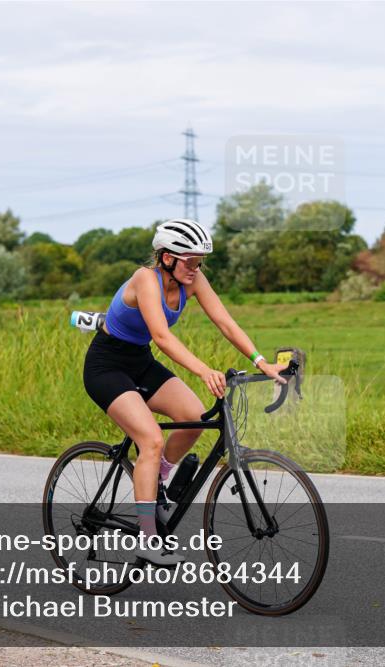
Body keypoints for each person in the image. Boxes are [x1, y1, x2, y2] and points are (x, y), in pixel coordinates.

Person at [82, 218, 289, 566]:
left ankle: (157, 483)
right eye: (190, 261)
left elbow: (225, 321)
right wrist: (204, 370)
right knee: (150, 440)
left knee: (193, 419)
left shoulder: (192, 280)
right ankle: (147, 539)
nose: (196, 269)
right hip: (107, 367)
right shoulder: (144, 279)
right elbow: (162, 337)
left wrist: (262, 361)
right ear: (167, 258)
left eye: (199, 262)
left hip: (140, 361)